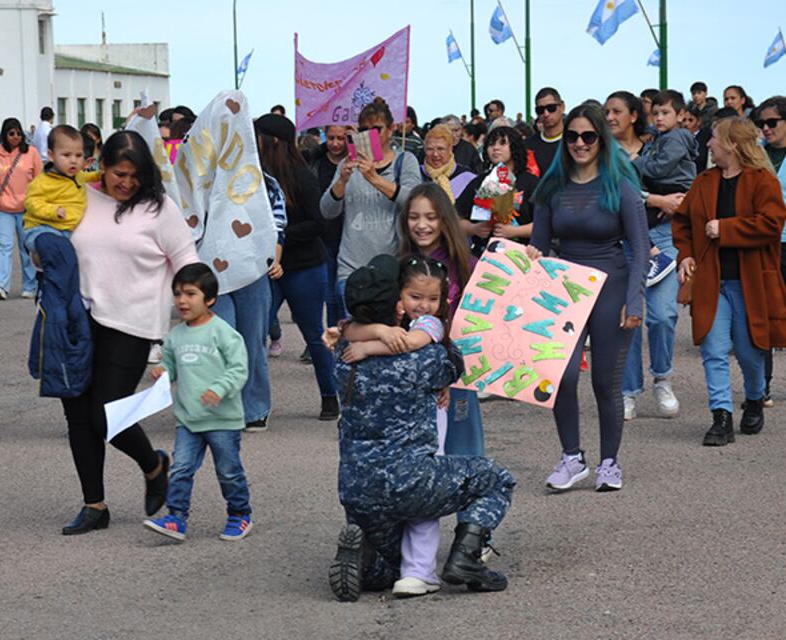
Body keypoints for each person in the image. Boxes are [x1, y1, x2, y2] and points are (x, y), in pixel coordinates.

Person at [327, 254, 515, 602]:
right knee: (496, 479)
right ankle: (466, 558)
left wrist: (372, 336)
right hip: (411, 481)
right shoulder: (426, 357)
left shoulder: (343, 351)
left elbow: (347, 328)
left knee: (389, 565)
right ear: (398, 305)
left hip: (357, 486)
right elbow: (453, 364)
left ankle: (367, 558)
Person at [59, 129, 198, 535]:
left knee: (107, 414)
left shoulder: (159, 207)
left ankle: (153, 466)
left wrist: (195, 313)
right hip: (77, 320)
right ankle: (94, 505)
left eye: (135, 176)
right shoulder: (79, 196)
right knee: (78, 416)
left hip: (133, 323)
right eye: (119, 174)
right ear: (101, 165)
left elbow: (187, 260)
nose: (127, 183)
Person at [527, 103, 649, 492]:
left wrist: (635, 300)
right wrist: (531, 257)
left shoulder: (621, 186)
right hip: (565, 291)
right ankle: (572, 458)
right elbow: (539, 246)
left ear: (601, 140)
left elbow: (641, 248)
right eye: (573, 136)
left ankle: (609, 463)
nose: (580, 143)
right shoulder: (551, 188)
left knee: (604, 381)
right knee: (560, 377)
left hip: (612, 288)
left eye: (588, 136)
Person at [673, 117, 786, 446]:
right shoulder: (704, 181)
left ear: (733, 144)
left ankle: (754, 398)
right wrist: (685, 255)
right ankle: (720, 416)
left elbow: (772, 224)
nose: (708, 144)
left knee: (750, 352)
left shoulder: (762, 180)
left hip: (750, 283)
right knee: (713, 348)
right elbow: (682, 222)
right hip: (712, 282)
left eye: (714, 139)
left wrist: (726, 228)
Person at [143, 263, 253, 542]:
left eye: (191, 294)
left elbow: (239, 368)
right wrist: (164, 371)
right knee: (181, 468)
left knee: (228, 471)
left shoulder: (223, 333)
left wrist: (220, 388)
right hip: (188, 419)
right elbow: (172, 364)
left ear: (210, 299)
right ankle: (176, 518)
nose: (182, 301)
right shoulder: (176, 335)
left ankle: (239, 514)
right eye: (178, 294)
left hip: (222, 419)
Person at [605, 90, 686, 422]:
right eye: (607, 112)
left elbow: (688, 176)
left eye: (616, 111)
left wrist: (682, 199)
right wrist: (657, 200)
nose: (610, 117)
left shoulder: (659, 144)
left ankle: (662, 378)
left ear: (634, 115)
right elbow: (610, 190)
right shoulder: (604, 152)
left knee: (663, 315)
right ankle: (628, 391)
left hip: (662, 236)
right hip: (621, 239)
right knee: (627, 319)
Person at [255, 114, 338, 420]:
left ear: (273, 141)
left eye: (258, 136)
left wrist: (279, 236)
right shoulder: (255, 176)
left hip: (305, 267)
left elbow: (319, 223)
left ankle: (330, 396)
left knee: (314, 334)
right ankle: (256, 406)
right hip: (267, 269)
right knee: (256, 332)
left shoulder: (302, 176)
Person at [321, 97, 421, 306]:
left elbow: (414, 201)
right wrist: (342, 181)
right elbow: (327, 211)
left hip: (392, 265)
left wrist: (374, 178)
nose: (371, 134)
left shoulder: (405, 161)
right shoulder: (347, 163)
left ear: (391, 129)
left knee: (386, 325)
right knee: (354, 324)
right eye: (365, 129)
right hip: (351, 267)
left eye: (377, 129)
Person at [633, 90, 698, 281]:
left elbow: (659, 169)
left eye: (665, 113)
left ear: (680, 115)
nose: (659, 118)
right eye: (655, 114)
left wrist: (637, 160)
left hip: (673, 190)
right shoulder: (666, 136)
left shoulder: (675, 138)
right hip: (666, 189)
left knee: (633, 223)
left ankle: (658, 258)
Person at [456, 126, 540, 257]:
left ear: (515, 147)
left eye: (502, 143)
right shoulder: (480, 181)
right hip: (483, 255)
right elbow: (455, 219)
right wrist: (474, 229)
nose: (495, 148)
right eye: (491, 144)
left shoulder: (531, 182)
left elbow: (545, 224)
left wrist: (515, 231)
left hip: (521, 256)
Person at [0, 117, 43, 300]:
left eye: (18, 133)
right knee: (4, 246)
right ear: (5, 134)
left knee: (27, 248)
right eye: (11, 133)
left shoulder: (32, 153)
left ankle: (30, 286)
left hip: (27, 209)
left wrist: (34, 201)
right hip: (4, 209)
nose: (15, 136)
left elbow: (40, 180)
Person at [22, 125, 99, 254]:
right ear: (51, 155)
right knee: (57, 252)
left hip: (66, 230)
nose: (73, 161)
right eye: (66, 155)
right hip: (43, 229)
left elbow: (89, 176)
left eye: (79, 155)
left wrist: (101, 175)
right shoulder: (43, 182)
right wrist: (53, 210)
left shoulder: (78, 176)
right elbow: (31, 202)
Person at [756, 95, 786, 405]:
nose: (765, 128)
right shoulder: (756, 154)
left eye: (772, 122)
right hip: (764, 244)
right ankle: (761, 386)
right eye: (761, 123)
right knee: (763, 314)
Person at [308, 125, 350, 326]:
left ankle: (345, 330)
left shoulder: (355, 161)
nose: (335, 143)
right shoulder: (316, 161)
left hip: (349, 232)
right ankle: (334, 332)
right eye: (331, 138)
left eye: (341, 138)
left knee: (344, 291)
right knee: (330, 293)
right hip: (325, 233)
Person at [419, 124, 477, 206]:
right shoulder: (415, 174)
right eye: (430, 149)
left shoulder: (468, 178)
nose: (435, 154)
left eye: (440, 149)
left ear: (450, 149)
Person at [526, 87, 566, 177]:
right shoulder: (528, 146)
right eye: (540, 110)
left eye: (551, 108)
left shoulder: (575, 142)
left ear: (562, 107)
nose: (546, 114)